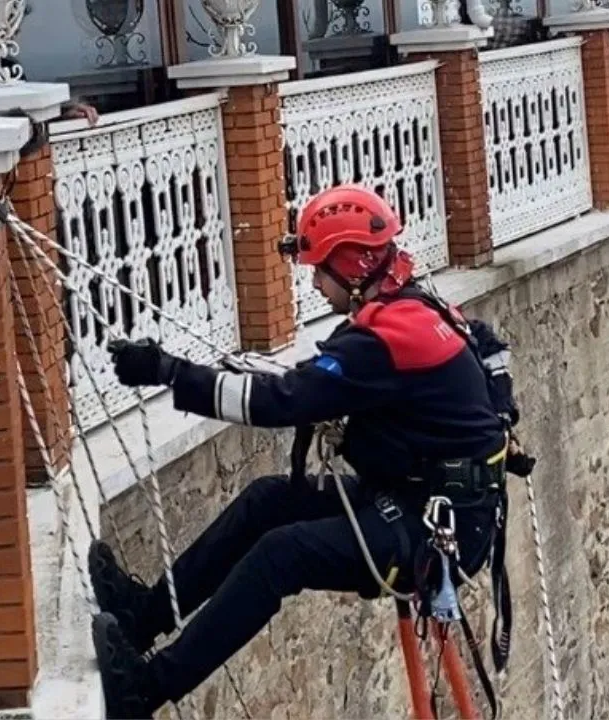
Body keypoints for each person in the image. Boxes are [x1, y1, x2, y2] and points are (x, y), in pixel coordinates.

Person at [89, 184, 527, 719]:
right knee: (267, 500)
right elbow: (486, 343)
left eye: (321, 269)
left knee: (282, 554)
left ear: (355, 264)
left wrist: (168, 373)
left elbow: (280, 401)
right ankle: (144, 618)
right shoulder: (415, 304)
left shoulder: (386, 337)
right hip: (424, 501)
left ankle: (146, 691)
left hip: (439, 530)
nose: (316, 283)